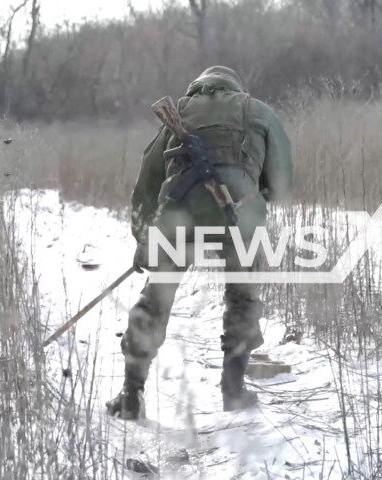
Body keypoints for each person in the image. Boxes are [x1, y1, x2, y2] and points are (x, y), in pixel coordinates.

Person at [106, 66, 293, 420]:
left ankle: (131, 395)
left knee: (155, 302)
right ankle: (234, 390)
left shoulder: (178, 115)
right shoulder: (259, 111)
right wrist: (258, 195)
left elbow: (146, 184)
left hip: (179, 220)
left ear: (198, 88)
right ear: (235, 87)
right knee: (242, 299)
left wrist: (144, 240)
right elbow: (282, 180)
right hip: (241, 220)